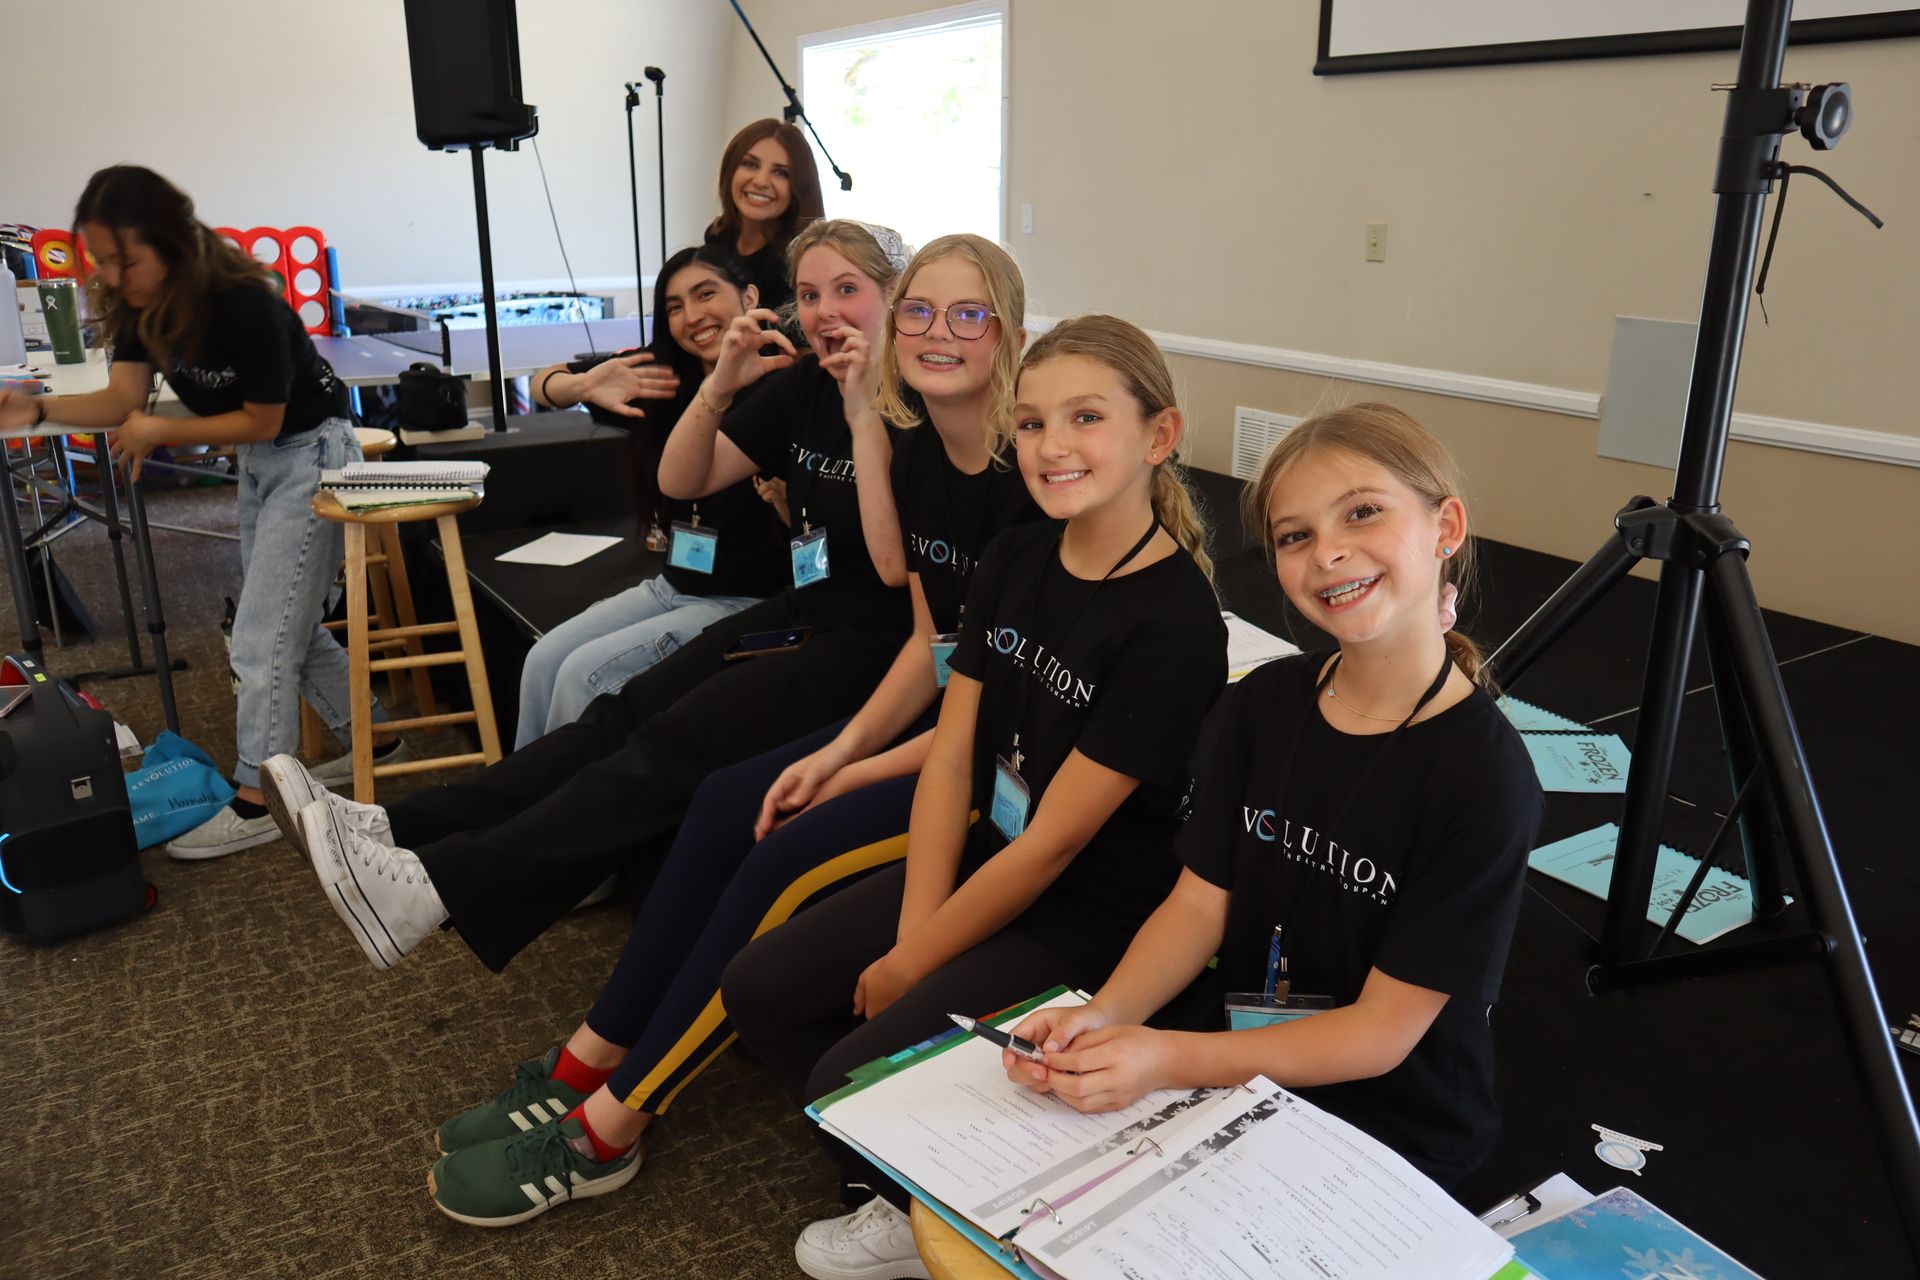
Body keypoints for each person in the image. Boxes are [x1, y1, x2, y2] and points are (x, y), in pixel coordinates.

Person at [418, 235, 1046, 1228]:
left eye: (964, 314)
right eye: (921, 309)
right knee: (723, 796)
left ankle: (611, 1123)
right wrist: (840, 754)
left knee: (773, 839)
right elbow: (929, 629)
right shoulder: (923, 447)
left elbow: (985, 700)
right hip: (940, 716)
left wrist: (850, 763)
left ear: (1006, 331)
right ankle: (591, 1052)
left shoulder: (1030, 478)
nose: (933, 331)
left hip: (997, 764)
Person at [265, 219, 915, 978]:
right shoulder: (804, 382)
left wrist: (864, 408)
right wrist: (720, 384)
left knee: (668, 742)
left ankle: (440, 888)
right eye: (808, 294)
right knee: (623, 710)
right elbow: (683, 482)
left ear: (893, 297)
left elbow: (892, 567)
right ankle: (393, 826)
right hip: (801, 614)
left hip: (873, 647)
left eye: (847, 290)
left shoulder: (908, 399)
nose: (825, 311)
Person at [723, 315, 1230, 1279]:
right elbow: (954, 751)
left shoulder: (1174, 627)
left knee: (848, 1070)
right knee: (761, 990)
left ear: (1157, 437)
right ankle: (906, 1163)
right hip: (997, 859)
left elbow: (1056, 847)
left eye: (1086, 417)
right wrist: (916, 932)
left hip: (1089, 913)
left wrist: (915, 960)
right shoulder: (1018, 557)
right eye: (1032, 423)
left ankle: (933, 1197)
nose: (1052, 446)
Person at [999, 401, 1545, 1195]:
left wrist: (1169, 1058)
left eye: (1363, 513)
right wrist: (1109, 1015)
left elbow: (1382, 1034)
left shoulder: (1485, 778)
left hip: (1388, 1117)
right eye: (1295, 536)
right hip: (1240, 1059)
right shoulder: (1265, 702)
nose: (1329, 553)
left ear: (1445, 527)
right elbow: (1197, 906)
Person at [0, 165, 382, 860]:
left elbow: (263, 420)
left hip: (314, 452)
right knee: (283, 620)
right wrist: (39, 410)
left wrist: (158, 431)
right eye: (102, 261)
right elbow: (121, 400)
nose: (114, 275)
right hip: (268, 462)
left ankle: (261, 799)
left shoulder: (243, 302)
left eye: (125, 259)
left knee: (259, 638)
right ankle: (376, 738)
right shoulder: (145, 304)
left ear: (170, 242)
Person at [513, 246, 787, 747]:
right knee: (543, 658)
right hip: (672, 585)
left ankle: (556, 817)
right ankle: (512, 804)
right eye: (675, 306)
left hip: (747, 599)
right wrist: (581, 384)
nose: (693, 316)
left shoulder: (780, 383)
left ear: (749, 297)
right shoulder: (661, 379)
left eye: (706, 294)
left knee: (581, 675)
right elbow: (539, 385)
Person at [704, 118, 825, 315]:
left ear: (800, 188)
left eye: (780, 173)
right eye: (750, 164)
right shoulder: (717, 237)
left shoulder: (803, 262)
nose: (761, 181)